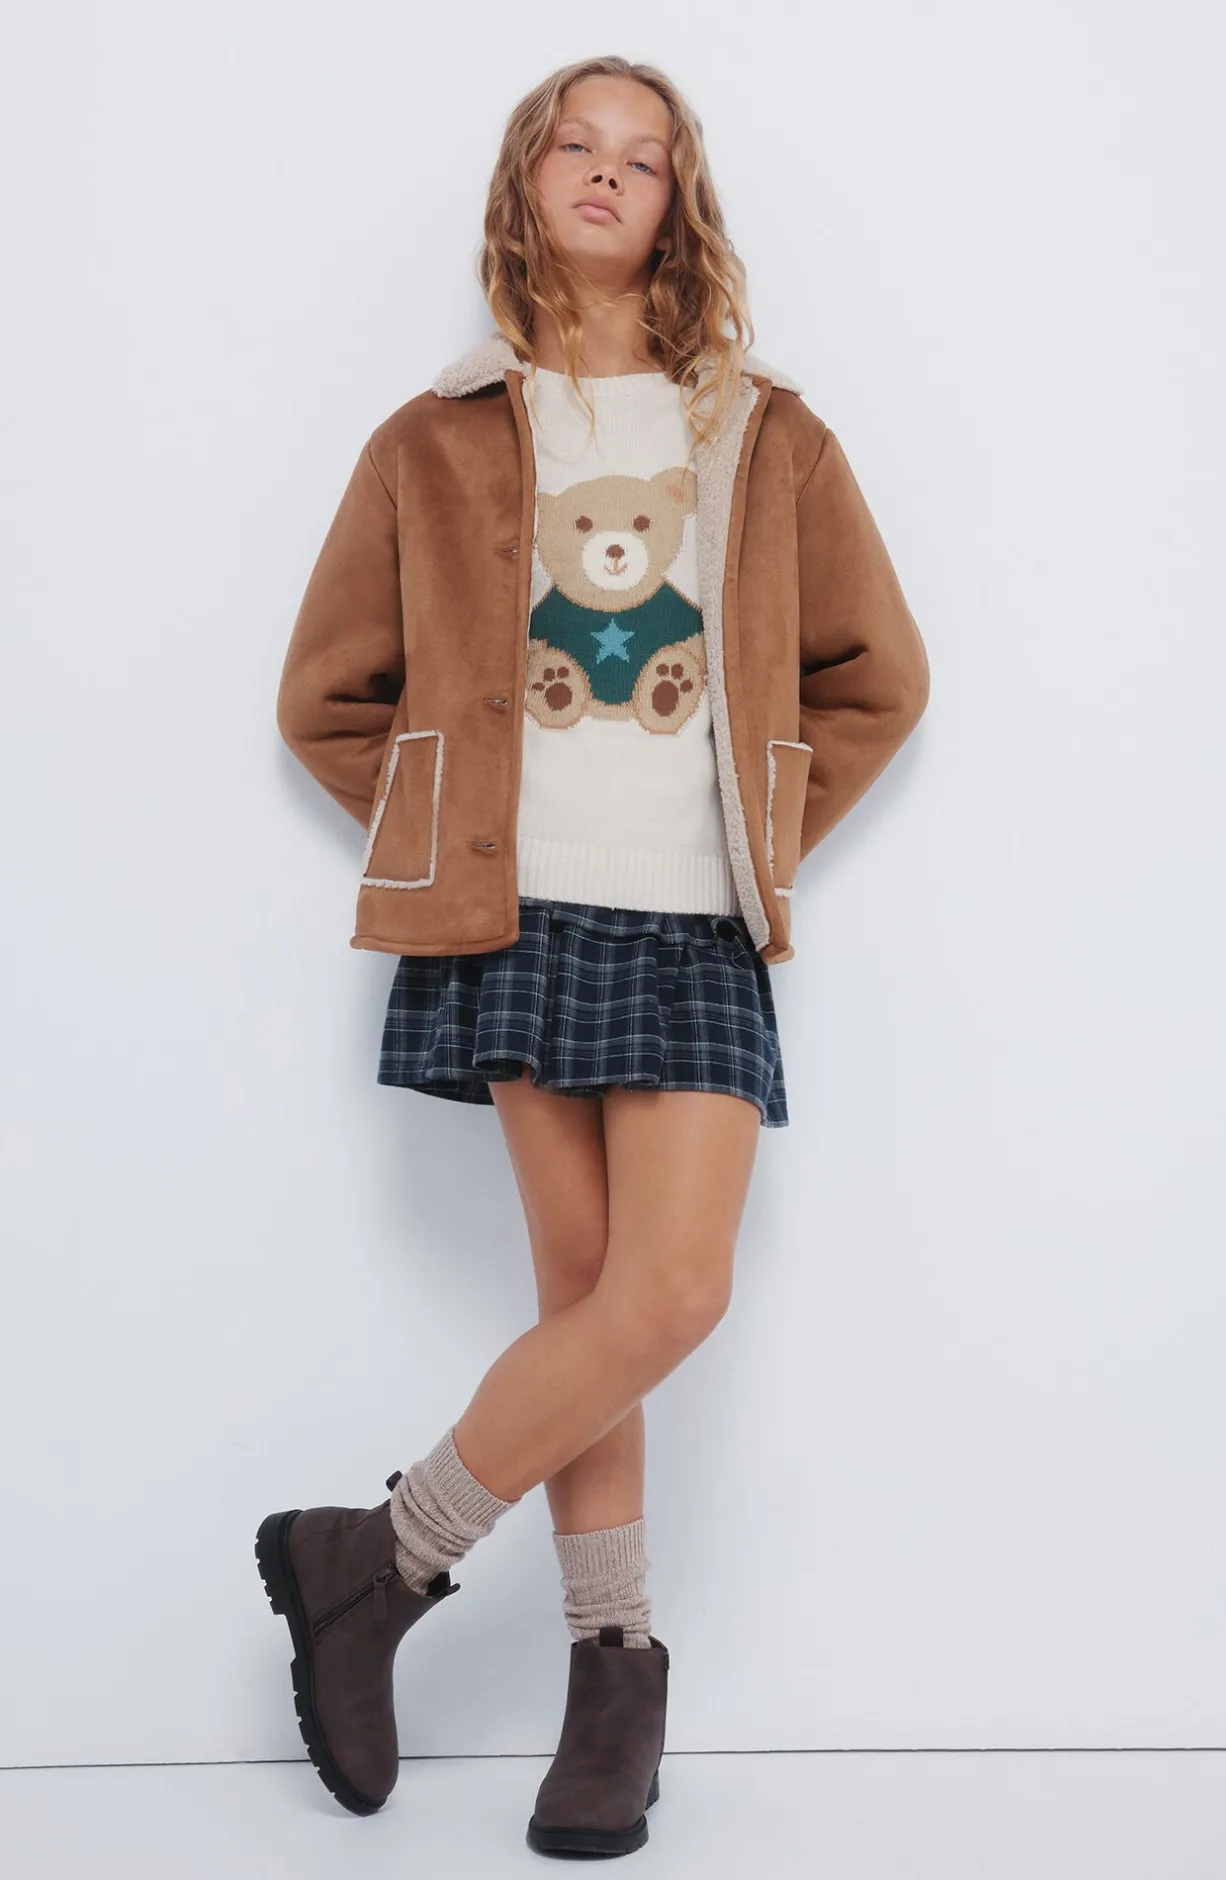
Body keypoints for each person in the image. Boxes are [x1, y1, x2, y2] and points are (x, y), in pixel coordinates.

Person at [256, 53, 929, 1860]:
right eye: (580, 143)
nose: (611, 172)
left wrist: (761, 832)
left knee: (667, 1296)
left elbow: (880, 677)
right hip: (516, 917)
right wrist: (454, 827)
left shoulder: (765, 434)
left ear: (680, 201)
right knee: (590, 1312)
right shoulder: (434, 439)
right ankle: (612, 1678)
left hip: (695, 918)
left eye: (648, 154)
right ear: (529, 179)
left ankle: (376, 1558)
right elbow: (328, 699)